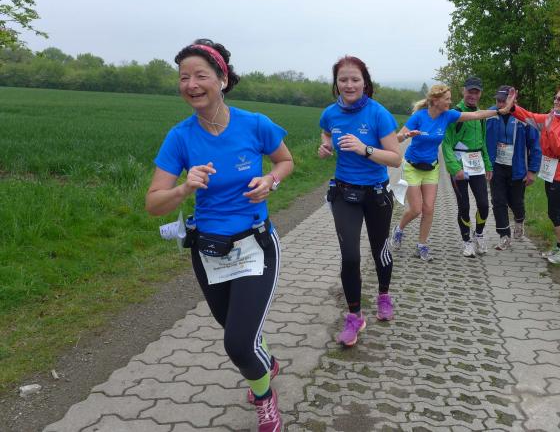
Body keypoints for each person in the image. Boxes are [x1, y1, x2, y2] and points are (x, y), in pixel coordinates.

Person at [145, 39, 293, 431]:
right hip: (209, 251)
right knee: (235, 330)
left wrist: (271, 181)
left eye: (200, 76)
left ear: (222, 79)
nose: (191, 84)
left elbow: (285, 160)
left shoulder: (255, 124)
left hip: (255, 245)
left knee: (238, 344)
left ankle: (264, 399)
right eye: (183, 77)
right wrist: (184, 188)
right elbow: (154, 203)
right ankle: (267, 363)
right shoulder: (180, 137)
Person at [318, 55, 402, 348]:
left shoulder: (378, 114)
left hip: (376, 194)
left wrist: (364, 149)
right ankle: (354, 316)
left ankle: (384, 296)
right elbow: (326, 132)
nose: (349, 84)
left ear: (365, 82)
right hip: (344, 194)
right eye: (343, 79)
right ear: (336, 83)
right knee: (351, 256)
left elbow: (395, 158)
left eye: (355, 79)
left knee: (380, 249)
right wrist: (325, 146)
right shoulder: (330, 113)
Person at [389, 83, 508, 261]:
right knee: (416, 209)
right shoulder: (419, 117)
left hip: (431, 168)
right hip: (413, 167)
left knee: (429, 209)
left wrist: (499, 111)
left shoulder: (448, 116)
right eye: (447, 99)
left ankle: (422, 245)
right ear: (435, 100)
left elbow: (476, 115)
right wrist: (407, 135)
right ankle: (398, 230)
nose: (450, 102)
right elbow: (396, 139)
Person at [508, 84, 560, 264]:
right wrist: (512, 107)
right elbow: (530, 117)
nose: (555, 101)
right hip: (551, 171)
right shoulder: (551, 117)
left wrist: (549, 130)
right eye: (555, 97)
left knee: (554, 210)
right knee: (556, 209)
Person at [442, 76, 493, 257]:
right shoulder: (455, 114)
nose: (473, 95)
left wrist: (488, 164)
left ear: (480, 94)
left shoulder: (481, 116)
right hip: (459, 166)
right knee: (464, 206)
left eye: (476, 92)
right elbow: (446, 144)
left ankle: (478, 234)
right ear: (464, 91)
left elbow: (483, 142)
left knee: (484, 204)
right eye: (470, 91)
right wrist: (455, 168)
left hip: (477, 165)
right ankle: (467, 241)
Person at [486, 85, 542, 251]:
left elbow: (535, 145)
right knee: (498, 201)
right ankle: (504, 236)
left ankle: (519, 219)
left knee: (515, 201)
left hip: (517, 167)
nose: (500, 103)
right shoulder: (489, 115)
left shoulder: (523, 118)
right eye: (498, 100)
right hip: (496, 166)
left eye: (504, 100)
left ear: (513, 101)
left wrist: (532, 170)